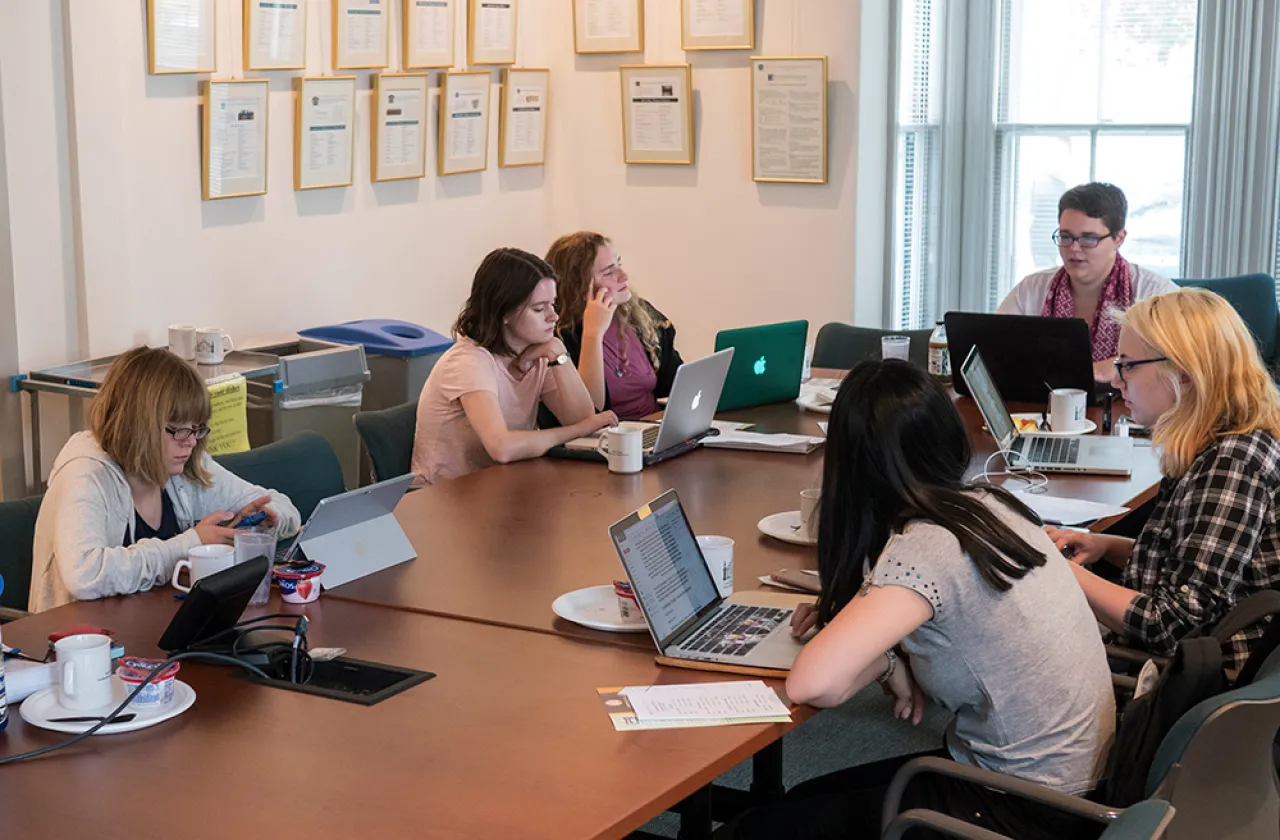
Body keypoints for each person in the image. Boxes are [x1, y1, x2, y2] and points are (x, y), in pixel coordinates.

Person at [726, 360, 1114, 840]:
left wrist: (887, 666)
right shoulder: (993, 506)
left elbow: (813, 685)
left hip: (1023, 808)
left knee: (752, 833)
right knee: (799, 802)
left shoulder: (928, 547)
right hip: (1073, 783)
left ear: (849, 463)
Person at [1049, 288, 1280, 670]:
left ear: (1184, 374)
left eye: (1128, 365)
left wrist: (1062, 573)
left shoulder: (1232, 463)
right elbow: (1191, 565)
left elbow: (1168, 626)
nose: (1117, 381)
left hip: (1196, 681)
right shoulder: (1214, 439)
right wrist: (1105, 545)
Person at [30, 347, 301, 612]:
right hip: (79, 641)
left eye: (196, 428)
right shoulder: (86, 473)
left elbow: (281, 505)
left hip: (150, 623)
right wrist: (190, 544)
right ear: (137, 426)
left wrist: (266, 519)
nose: (192, 442)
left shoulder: (183, 462)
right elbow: (85, 576)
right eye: (179, 430)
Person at [411, 247, 617, 485]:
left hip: (501, 485)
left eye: (553, 304)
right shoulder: (469, 361)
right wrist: (576, 431)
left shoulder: (538, 351)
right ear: (504, 312)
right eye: (539, 308)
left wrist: (559, 353)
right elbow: (502, 448)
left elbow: (582, 417)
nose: (554, 316)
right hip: (445, 498)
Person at [997, 182, 1178, 382]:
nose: (1074, 248)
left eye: (1089, 239)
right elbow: (993, 347)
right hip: (1045, 406)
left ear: (1119, 238)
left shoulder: (1157, 293)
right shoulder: (1031, 289)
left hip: (1129, 408)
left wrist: (1116, 365)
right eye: (1066, 237)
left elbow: (1185, 355)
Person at [544, 232, 683, 420]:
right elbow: (589, 412)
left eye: (619, 264)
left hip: (653, 428)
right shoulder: (559, 335)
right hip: (608, 440)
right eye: (609, 272)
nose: (624, 276)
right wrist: (593, 334)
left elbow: (675, 385)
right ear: (578, 286)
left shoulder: (642, 315)